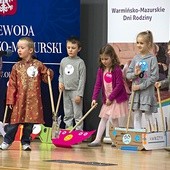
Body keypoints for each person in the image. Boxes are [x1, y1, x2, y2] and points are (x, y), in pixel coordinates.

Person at [0, 37, 54, 151]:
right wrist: (10, 100)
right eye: (18, 48)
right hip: (20, 100)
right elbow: (12, 85)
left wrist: (49, 73)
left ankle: (26, 142)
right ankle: (7, 140)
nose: (19, 50)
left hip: (33, 100)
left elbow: (46, 77)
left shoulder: (38, 64)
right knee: (14, 122)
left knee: (29, 123)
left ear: (30, 50)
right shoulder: (16, 67)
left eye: (22, 48)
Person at [88, 44, 129, 147]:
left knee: (114, 120)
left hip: (116, 99)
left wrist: (111, 98)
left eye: (106, 59)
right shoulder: (101, 70)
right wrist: (94, 98)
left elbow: (119, 85)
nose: (104, 61)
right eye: (102, 59)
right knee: (104, 118)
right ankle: (98, 140)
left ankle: (116, 140)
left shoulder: (117, 70)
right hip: (108, 100)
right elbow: (98, 85)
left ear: (112, 56)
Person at [126, 30, 159, 132]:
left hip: (146, 93)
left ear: (148, 44)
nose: (139, 45)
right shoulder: (136, 58)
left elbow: (154, 77)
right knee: (137, 115)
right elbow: (128, 75)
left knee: (148, 115)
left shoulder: (152, 59)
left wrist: (140, 86)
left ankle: (152, 136)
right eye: (137, 43)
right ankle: (138, 137)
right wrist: (135, 74)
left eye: (141, 43)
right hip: (136, 94)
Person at [58, 36, 86, 130]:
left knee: (77, 114)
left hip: (75, 92)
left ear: (79, 49)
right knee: (67, 113)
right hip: (66, 91)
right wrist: (60, 83)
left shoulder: (80, 62)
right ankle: (68, 130)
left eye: (73, 48)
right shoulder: (63, 61)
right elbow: (61, 74)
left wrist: (79, 94)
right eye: (68, 47)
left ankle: (78, 132)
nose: (70, 50)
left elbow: (82, 79)